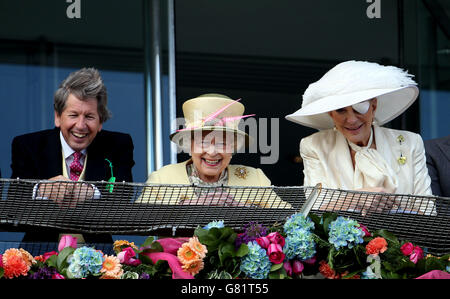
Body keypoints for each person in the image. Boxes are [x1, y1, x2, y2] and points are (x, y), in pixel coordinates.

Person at [285, 60, 435, 215]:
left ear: (373, 106)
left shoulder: (410, 143)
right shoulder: (314, 146)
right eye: (341, 110)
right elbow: (314, 209)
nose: (351, 120)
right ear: (331, 113)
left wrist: (390, 207)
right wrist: (356, 198)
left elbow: (428, 211)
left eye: (359, 108)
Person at [10, 67, 135, 249]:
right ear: (58, 117)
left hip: (99, 258)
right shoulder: (28, 145)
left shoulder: (118, 145)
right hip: (38, 255)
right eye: (73, 115)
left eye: (90, 116)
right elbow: (14, 200)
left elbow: (123, 195)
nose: (81, 125)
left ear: (100, 121)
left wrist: (92, 191)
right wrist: (41, 189)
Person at [137, 93, 291, 209]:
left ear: (233, 147)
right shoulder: (162, 179)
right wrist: (190, 206)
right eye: (202, 142)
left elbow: (288, 217)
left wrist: (242, 211)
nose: (211, 152)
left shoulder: (255, 179)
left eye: (222, 143)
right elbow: (138, 218)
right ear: (189, 146)